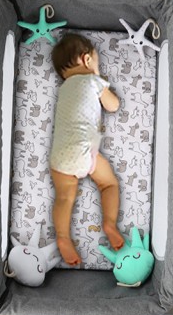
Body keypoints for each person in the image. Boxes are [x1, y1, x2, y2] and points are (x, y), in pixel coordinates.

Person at [50, 33, 124, 265]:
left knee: (64, 197)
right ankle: (109, 224)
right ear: (87, 59)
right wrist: (98, 76)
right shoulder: (93, 81)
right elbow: (113, 105)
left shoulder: (63, 89)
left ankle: (63, 237)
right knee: (109, 185)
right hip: (86, 152)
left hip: (60, 155)